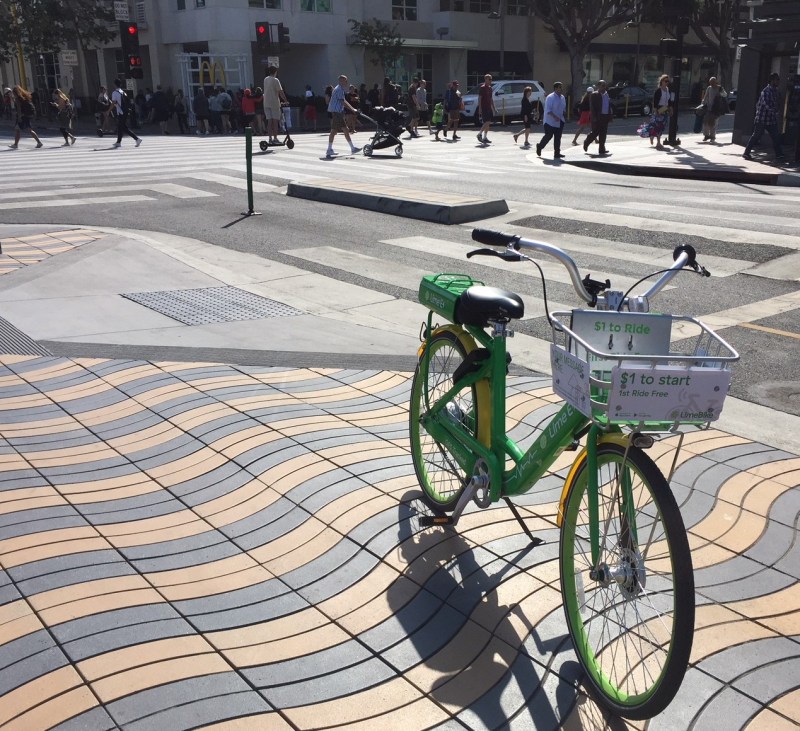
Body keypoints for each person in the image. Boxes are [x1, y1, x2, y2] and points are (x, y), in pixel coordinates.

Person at [743, 73, 784, 161]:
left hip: (771, 119)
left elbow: (777, 103)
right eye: (777, 80)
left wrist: (777, 109)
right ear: (772, 80)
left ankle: (779, 154)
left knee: (776, 136)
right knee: (756, 136)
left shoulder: (776, 91)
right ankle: (746, 153)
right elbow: (767, 104)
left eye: (778, 80)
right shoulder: (766, 91)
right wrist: (775, 111)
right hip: (762, 118)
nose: (778, 81)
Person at [325, 74, 361, 158]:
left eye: (346, 80)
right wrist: (353, 109)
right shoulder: (339, 89)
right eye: (345, 80)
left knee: (340, 130)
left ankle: (351, 148)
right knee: (339, 130)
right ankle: (351, 148)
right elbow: (343, 102)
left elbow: (343, 101)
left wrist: (353, 109)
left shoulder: (338, 88)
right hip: (337, 112)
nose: (346, 82)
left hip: (337, 112)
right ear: (341, 81)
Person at [637, 74, 671, 149]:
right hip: (659, 110)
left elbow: (669, 101)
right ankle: (658, 142)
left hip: (665, 110)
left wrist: (670, 109)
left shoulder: (668, 90)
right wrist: (656, 111)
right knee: (658, 126)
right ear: (662, 81)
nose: (667, 82)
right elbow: (655, 102)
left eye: (668, 81)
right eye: (666, 81)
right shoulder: (659, 90)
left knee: (662, 127)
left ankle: (652, 136)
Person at [535, 81, 567, 158]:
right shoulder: (550, 97)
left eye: (561, 87)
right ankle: (540, 146)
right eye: (560, 87)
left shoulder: (562, 97)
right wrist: (555, 116)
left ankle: (557, 153)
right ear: (555, 88)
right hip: (550, 121)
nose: (561, 89)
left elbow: (563, 108)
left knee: (558, 137)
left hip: (560, 121)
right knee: (549, 136)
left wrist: (563, 116)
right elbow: (548, 110)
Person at [583, 79, 613, 155]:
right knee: (595, 132)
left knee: (603, 133)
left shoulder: (606, 94)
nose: (604, 87)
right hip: (597, 117)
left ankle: (602, 148)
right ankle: (587, 142)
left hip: (605, 116)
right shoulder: (594, 94)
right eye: (602, 85)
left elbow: (608, 106)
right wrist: (594, 117)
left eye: (605, 85)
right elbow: (592, 107)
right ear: (599, 86)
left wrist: (610, 116)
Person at [111, 78, 141, 148]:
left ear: (114, 84)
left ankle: (137, 139)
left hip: (120, 112)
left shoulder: (115, 93)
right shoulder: (123, 92)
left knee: (123, 127)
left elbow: (113, 103)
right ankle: (118, 142)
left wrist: (108, 111)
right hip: (125, 111)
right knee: (120, 127)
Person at [263, 66, 288, 144]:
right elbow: (281, 92)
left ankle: (270, 139)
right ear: (275, 72)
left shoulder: (265, 79)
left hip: (266, 103)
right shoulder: (276, 80)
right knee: (275, 122)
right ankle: (275, 138)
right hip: (274, 103)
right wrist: (286, 100)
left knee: (269, 121)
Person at [700, 76, 727, 143]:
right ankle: (706, 135)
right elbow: (706, 97)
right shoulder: (709, 88)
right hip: (709, 108)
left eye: (713, 82)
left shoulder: (719, 88)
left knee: (713, 124)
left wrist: (720, 91)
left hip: (716, 109)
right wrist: (702, 104)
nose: (711, 84)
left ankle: (712, 137)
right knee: (705, 123)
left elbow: (725, 95)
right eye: (710, 83)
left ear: (715, 82)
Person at [476, 74, 496, 144]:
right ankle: (479, 134)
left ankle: (485, 137)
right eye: (489, 79)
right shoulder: (482, 88)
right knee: (486, 121)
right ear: (486, 79)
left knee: (488, 123)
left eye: (491, 79)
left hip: (489, 107)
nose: (491, 81)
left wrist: (494, 108)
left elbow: (491, 99)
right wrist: (480, 108)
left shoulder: (490, 88)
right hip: (484, 107)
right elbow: (480, 98)